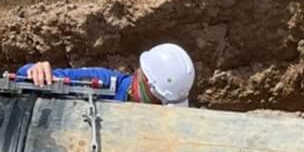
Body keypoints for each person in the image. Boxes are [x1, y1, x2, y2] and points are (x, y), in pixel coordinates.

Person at [15, 43, 195, 106]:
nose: (161, 112)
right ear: (145, 83)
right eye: (159, 103)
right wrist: (35, 70)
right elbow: (24, 79)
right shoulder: (102, 82)